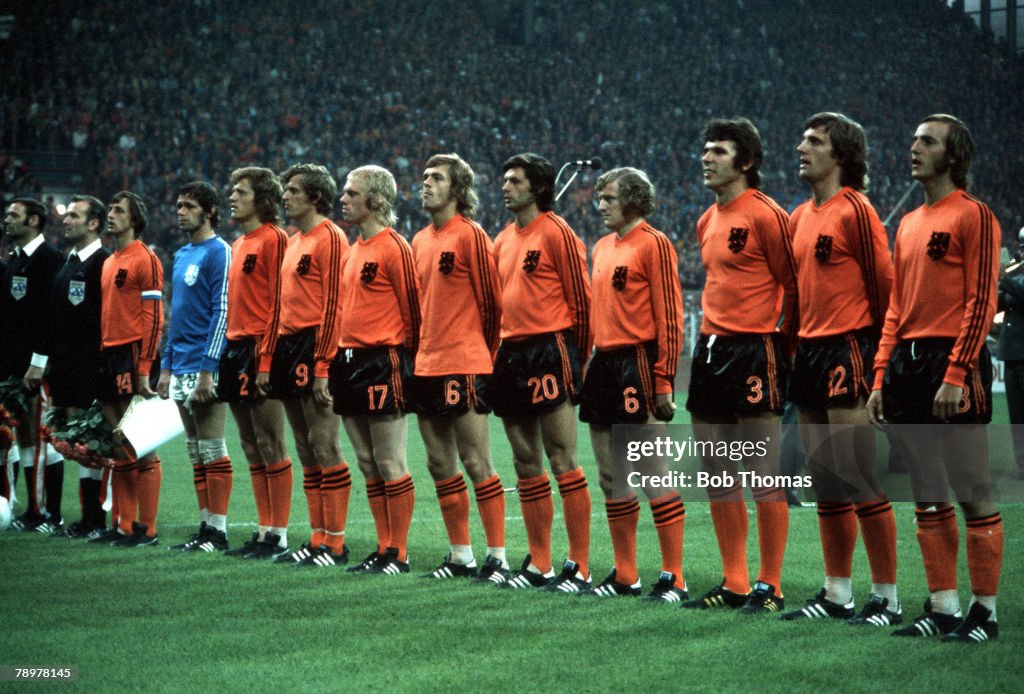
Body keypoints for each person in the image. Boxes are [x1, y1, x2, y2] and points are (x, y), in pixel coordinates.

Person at [867, 114, 1003, 643]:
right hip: (908, 362)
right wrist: (880, 375)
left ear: (954, 155)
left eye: (927, 141)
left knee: (971, 488)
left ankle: (984, 613)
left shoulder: (975, 216)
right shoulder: (908, 224)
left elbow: (980, 301)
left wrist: (957, 372)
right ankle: (943, 607)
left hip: (953, 361)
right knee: (927, 492)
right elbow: (897, 306)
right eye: (913, 139)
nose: (914, 147)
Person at [780, 112, 901, 625]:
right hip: (807, 352)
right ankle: (837, 592)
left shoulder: (857, 211)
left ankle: (887, 597)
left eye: (814, 141)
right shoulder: (799, 216)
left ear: (841, 155)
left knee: (856, 477)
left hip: (847, 348)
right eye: (803, 139)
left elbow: (885, 290)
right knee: (825, 480)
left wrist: (880, 364)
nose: (802, 147)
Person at [683, 117, 797, 614]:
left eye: (719, 151)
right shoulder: (708, 219)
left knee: (763, 474)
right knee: (718, 474)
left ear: (746, 162)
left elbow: (793, 287)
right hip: (710, 349)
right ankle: (734, 581)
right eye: (706, 150)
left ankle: (769, 585)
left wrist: (782, 348)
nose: (707, 158)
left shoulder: (768, 214)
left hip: (755, 349)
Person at [578, 167, 686, 601]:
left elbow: (671, 317)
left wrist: (663, 381)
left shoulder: (654, 243)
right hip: (603, 363)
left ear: (634, 200)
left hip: (638, 363)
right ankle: (626, 574)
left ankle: (674, 576)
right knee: (610, 475)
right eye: (600, 198)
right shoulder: (602, 247)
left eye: (608, 198)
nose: (600, 205)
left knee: (652, 473)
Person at [492, 152, 592, 591]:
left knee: (562, 457)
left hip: (549, 350)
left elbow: (583, 304)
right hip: (509, 353)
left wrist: (579, 361)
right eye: (505, 179)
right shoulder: (501, 240)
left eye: (514, 180)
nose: (505, 186)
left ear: (537, 188)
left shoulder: (558, 233)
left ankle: (580, 565)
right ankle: (541, 563)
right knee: (525, 460)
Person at [409, 153, 504, 581]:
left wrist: (480, 355)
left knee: (476, 460)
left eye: (437, 178)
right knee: (438, 463)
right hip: (425, 363)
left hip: (464, 363)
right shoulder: (419, 240)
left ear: (458, 189)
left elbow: (492, 306)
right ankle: (460, 554)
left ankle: (497, 556)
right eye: (425, 177)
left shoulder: (471, 236)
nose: (426, 183)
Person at [331, 165, 422, 575]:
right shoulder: (353, 251)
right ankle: (384, 546)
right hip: (348, 360)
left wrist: (408, 362)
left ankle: (398, 553)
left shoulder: (394, 247)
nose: (343, 199)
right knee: (367, 461)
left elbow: (413, 313)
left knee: (389, 461)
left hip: (383, 360)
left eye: (352, 193)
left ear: (377, 200)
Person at [267, 163, 352, 566]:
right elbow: (279, 306)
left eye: (294, 190)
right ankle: (317, 538)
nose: (286, 196)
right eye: (286, 189)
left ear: (316, 197)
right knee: (304, 446)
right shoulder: (291, 240)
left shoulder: (331, 237)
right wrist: (268, 357)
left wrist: (324, 364)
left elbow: (336, 304)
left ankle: (335, 542)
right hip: (288, 345)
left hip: (316, 344)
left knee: (324, 443)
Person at [217, 167, 293, 560]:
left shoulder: (275, 239)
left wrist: (266, 358)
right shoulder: (239, 243)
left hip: (262, 349)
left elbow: (280, 302)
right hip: (235, 347)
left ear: (261, 198)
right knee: (249, 443)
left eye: (241, 191)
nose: (232, 196)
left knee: (271, 441)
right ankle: (264, 529)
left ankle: (278, 534)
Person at [157, 182, 233, 553]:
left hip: (206, 364)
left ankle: (218, 530)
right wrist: (166, 365)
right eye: (178, 205)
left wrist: (209, 368)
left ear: (210, 212)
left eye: (188, 206)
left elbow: (222, 312)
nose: (180, 211)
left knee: (213, 445)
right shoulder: (182, 254)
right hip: (180, 362)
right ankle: (205, 526)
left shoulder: (220, 252)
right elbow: (177, 316)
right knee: (194, 449)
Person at [99, 191, 164, 547]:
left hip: (132, 353)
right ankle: (122, 524)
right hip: (108, 352)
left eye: (119, 210)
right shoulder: (111, 262)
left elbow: (154, 318)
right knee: (117, 441)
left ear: (135, 219)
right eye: (110, 209)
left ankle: (147, 527)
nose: (111, 215)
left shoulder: (146, 258)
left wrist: (144, 367)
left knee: (141, 441)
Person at [47, 195, 112, 539]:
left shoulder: (104, 263)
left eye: (74, 215)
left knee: (93, 443)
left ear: (94, 224)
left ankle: (96, 518)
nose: (66, 220)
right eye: (66, 214)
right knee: (78, 443)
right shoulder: (68, 262)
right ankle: (88, 517)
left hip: (91, 366)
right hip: (65, 365)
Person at [1, 198, 66, 532]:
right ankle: (36, 510)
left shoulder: (49, 260)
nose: (6, 219)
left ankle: (45, 513)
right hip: (14, 368)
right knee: (27, 438)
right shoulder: (15, 260)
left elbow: (50, 319)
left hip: (36, 369)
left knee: (40, 438)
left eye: (14, 215)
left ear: (35, 220)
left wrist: (39, 362)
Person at [997, 227, 1024, 482]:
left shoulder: (1017, 280)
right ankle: (1022, 466)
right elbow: (1001, 302)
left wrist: (1004, 277)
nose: (1022, 253)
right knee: (1017, 416)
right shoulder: (1017, 278)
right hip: (1014, 353)